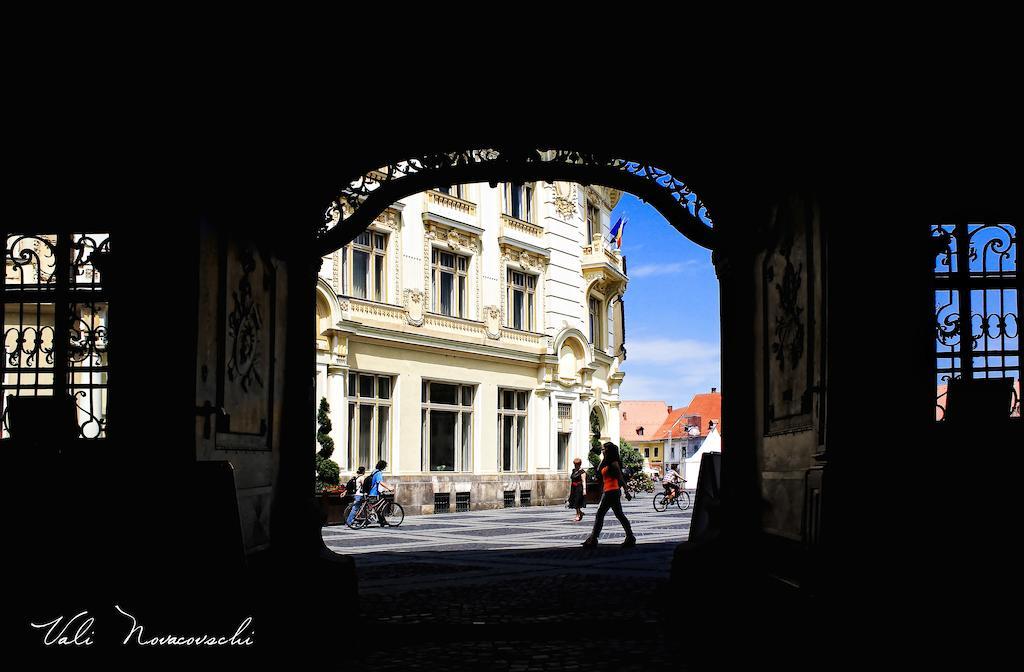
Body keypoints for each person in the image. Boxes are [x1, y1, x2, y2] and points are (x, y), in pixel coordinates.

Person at [582, 442, 636, 548]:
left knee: (600, 514)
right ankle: (630, 537)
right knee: (619, 515)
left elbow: (620, 478)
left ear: (609, 451)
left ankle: (593, 539)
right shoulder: (605, 461)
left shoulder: (614, 463)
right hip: (608, 491)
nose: (603, 450)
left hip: (613, 491)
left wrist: (626, 491)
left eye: (604, 449)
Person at [366, 460, 394, 527]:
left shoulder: (374, 471)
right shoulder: (379, 473)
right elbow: (380, 482)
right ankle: (367, 520)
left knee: (378, 507)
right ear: (383, 467)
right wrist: (389, 487)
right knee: (378, 507)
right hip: (374, 493)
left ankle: (382, 521)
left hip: (370, 492)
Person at [568, 457, 587, 522]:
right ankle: (580, 513)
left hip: (579, 488)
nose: (575, 466)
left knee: (577, 501)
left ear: (580, 464)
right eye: (575, 464)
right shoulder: (573, 470)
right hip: (573, 488)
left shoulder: (582, 472)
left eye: (577, 464)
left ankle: (578, 515)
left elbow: (583, 481)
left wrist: (584, 490)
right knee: (574, 501)